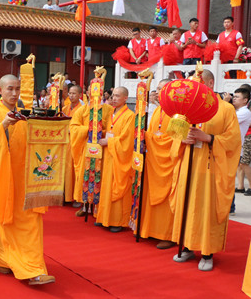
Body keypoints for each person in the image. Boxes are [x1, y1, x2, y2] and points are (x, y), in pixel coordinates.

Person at [0, 74, 54, 285]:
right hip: (3, 177)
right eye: (10, 89)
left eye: (17, 89)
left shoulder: (24, 114)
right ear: (0, 91)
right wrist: (2, 126)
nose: (14, 93)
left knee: (30, 221)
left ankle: (33, 268)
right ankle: (3, 257)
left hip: (26, 180)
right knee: (3, 217)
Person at [171, 69, 240, 271]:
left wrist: (209, 138)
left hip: (210, 167)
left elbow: (234, 140)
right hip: (188, 166)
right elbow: (174, 136)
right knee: (186, 205)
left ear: (210, 84)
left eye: (199, 83)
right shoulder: (183, 109)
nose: (195, 88)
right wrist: (182, 139)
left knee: (205, 208)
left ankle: (207, 252)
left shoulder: (225, 109)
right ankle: (186, 246)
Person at [139, 79, 177, 249]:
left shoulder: (178, 113)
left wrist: (149, 138)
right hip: (154, 160)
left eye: (163, 89)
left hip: (168, 162)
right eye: (158, 89)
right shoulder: (157, 111)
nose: (159, 92)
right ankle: (150, 229)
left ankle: (167, 234)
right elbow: (152, 132)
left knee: (167, 198)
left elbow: (176, 139)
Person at [95, 87, 135, 232]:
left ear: (125, 98)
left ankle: (117, 221)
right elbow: (110, 131)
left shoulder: (130, 116)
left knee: (118, 185)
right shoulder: (112, 113)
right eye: (113, 96)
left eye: (118, 96)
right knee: (106, 185)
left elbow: (127, 140)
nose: (114, 98)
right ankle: (104, 217)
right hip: (109, 155)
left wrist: (109, 142)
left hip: (119, 156)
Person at [62, 85, 84, 205]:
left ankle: (76, 196)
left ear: (80, 95)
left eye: (74, 93)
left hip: (76, 142)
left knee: (75, 169)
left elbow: (84, 127)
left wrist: (73, 130)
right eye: (70, 93)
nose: (71, 96)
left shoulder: (82, 109)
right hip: (65, 142)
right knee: (65, 169)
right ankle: (66, 195)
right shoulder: (65, 108)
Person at [233, 88, 251, 202]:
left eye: (237, 97)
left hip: (239, 145)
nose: (234, 98)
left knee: (244, 164)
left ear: (245, 100)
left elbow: (228, 121)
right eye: (234, 96)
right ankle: (240, 186)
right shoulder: (237, 111)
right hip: (233, 146)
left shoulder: (245, 112)